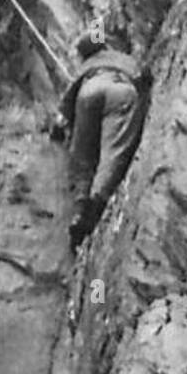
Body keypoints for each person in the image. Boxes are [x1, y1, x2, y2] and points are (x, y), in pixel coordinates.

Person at [54, 33, 150, 250]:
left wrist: (60, 125)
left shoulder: (86, 66)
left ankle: (79, 209)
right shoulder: (123, 58)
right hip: (120, 89)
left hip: (89, 91)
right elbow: (144, 75)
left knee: (81, 156)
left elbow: (64, 110)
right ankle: (96, 202)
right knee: (113, 151)